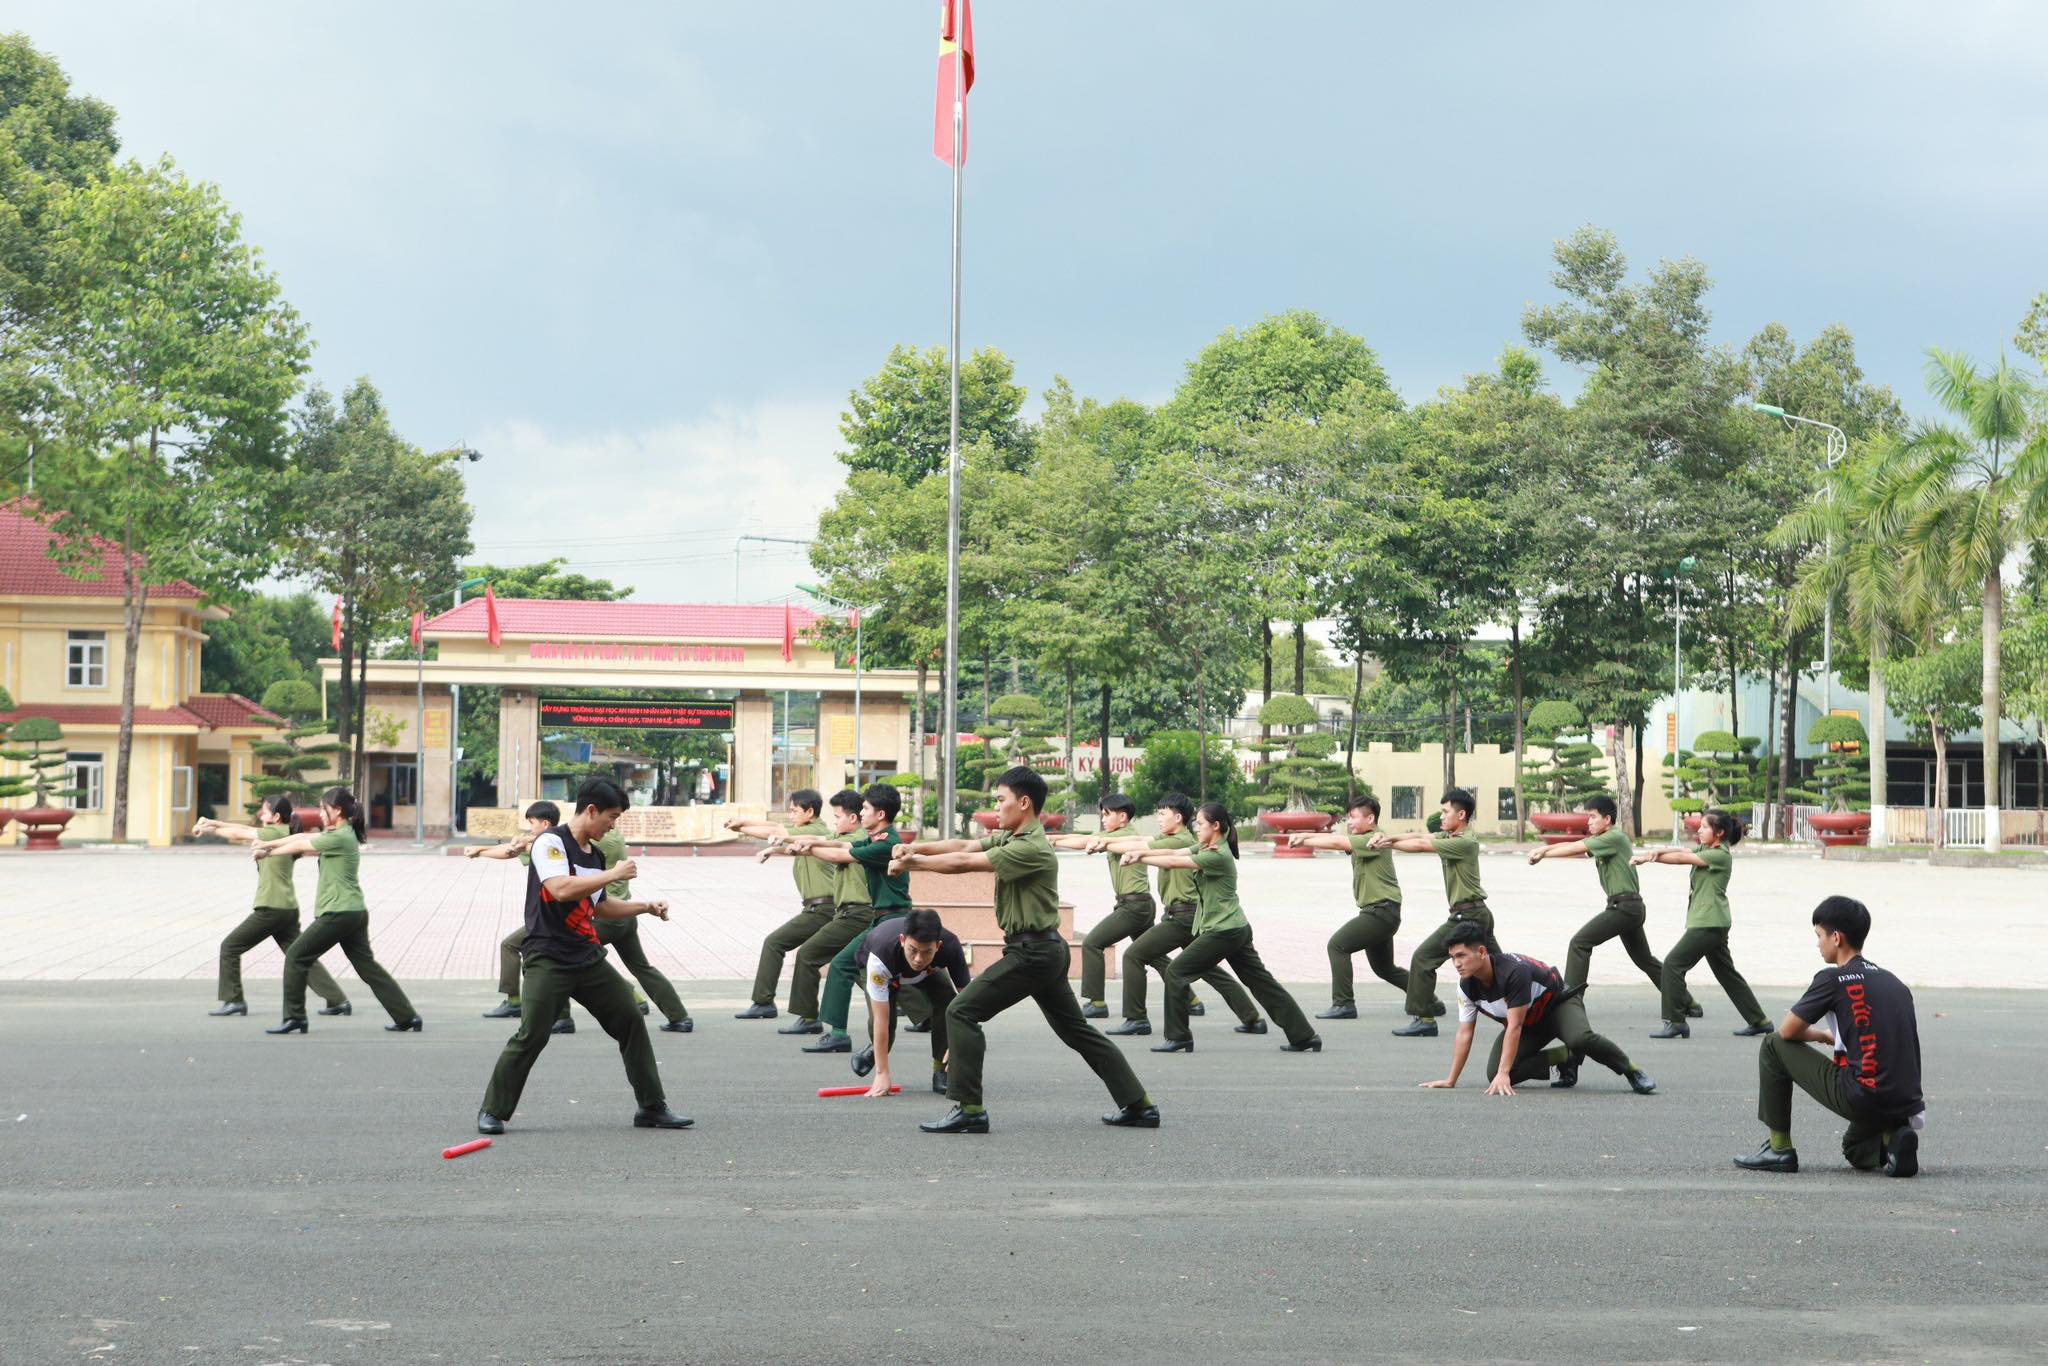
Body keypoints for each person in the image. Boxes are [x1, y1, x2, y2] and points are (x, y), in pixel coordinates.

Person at [890, 765, 1158, 1134]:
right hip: (1041, 950)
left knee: (961, 1011)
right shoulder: (1014, 838)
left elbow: (967, 863)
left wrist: (913, 863)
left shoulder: (1031, 847)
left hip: (1033, 954)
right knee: (1078, 1032)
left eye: (1001, 800)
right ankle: (1138, 1105)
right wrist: (915, 847)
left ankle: (969, 1108)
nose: (996, 808)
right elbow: (965, 846)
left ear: (1024, 802)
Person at [476, 778, 691, 1135]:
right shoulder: (550, 843)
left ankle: (652, 1107)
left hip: (587, 956)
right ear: (590, 810)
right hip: (547, 956)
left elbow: (601, 907)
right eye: (611, 816)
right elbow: (560, 889)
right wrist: (614, 873)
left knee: (630, 1021)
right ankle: (493, 1110)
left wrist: (645, 906)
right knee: (532, 1035)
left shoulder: (597, 855)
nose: (613, 824)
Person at [1735, 895, 1924, 1176]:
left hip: (1864, 1094)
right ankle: (1893, 1137)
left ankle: (1779, 1148)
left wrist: (1820, 1037)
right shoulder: (1894, 982)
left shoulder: (1832, 979)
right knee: (1855, 1151)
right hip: (1905, 1100)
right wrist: (1829, 1037)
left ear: (1836, 938)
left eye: (1819, 935)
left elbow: (1788, 1031)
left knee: (1773, 1044)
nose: (1818, 943)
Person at [1121, 800, 1320, 1055]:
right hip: (1235, 927)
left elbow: (1173, 863)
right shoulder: (1209, 845)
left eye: (1200, 823)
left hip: (1224, 931)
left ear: (1215, 826)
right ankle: (1303, 1036)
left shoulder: (1217, 855)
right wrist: (1141, 854)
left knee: (1176, 972)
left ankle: (1178, 1036)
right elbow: (1177, 854)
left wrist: (1142, 857)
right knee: (1262, 983)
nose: (1196, 826)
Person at [1419, 922, 1657, 1097]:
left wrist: (1506, 1072)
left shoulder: (1514, 972)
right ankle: (1566, 1057)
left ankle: (1631, 1070)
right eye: (1452, 958)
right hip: (1531, 1021)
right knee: (1495, 1074)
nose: (1456, 963)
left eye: (1461, 955)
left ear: (1481, 952)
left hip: (1558, 1005)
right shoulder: (1467, 987)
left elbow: (1515, 1026)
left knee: (1580, 1037)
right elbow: (1465, 1033)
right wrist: (1451, 1080)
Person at [255, 788, 422, 1035]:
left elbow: (300, 843)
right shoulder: (342, 834)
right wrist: (269, 848)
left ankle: (295, 1017)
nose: (321, 813)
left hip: (339, 913)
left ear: (338, 811)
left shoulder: (341, 837)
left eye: (324, 809)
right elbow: (296, 838)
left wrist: (267, 847)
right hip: (353, 911)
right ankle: (407, 1016)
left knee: (296, 956)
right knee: (368, 967)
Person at [1102, 792, 1263, 1038]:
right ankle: (1251, 1017)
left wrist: (1115, 847)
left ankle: (1136, 1018)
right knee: (1209, 969)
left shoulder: (1180, 841)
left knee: (1134, 956)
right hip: (1189, 915)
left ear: (1178, 818)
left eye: (1162, 814)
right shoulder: (1170, 838)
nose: (1158, 818)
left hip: (1183, 915)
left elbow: (1155, 853)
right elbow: (1141, 842)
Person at [1528, 795, 1701, 1019]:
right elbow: (1576, 846)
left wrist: (1543, 853)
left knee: (1579, 943)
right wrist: (1542, 851)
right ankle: (1688, 1002)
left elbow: (1577, 847)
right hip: (1629, 907)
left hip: (1624, 907)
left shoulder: (1614, 837)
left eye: (1592, 817)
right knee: (1645, 960)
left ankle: (1570, 1002)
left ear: (1607, 819)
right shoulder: (1603, 839)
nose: (1588, 822)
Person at [775, 784, 912, 1052]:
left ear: (881, 814)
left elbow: (840, 854)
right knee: (859, 969)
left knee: (849, 967)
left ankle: (843, 1035)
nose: (861, 813)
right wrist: (810, 844)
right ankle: (847, 1033)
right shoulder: (877, 839)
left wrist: (807, 847)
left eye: (866, 809)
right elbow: (839, 843)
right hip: (881, 918)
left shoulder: (887, 845)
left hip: (892, 919)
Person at [195, 798, 352, 1019]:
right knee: (301, 955)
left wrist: (210, 830)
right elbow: (243, 828)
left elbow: (239, 834)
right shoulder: (280, 831)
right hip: (286, 908)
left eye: (265, 811)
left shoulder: (276, 833)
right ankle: (338, 1000)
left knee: (229, 947)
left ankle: (234, 1000)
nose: (260, 814)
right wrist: (213, 823)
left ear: (276, 817)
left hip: (271, 908)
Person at [1283, 793, 1433, 1021]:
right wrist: (1306, 835)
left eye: (1353, 817)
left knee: (1337, 946)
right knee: (1384, 968)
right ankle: (1429, 1000)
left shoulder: (1373, 839)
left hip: (1380, 912)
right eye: (1348, 818)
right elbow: (1338, 842)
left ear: (1370, 819)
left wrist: (1304, 838)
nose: (1349, 822)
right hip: (1382, 912)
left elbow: (1337, 842)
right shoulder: (1366, 839)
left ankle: (1343, 1004)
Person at [1370, 787, 1499, 1038]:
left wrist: (1387, 843)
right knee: (1500, 969)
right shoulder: (1451, 836)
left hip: (1468, 916)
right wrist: (1387, 837)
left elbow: (1420, 844)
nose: (1441, 816)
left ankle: (1425, 1018)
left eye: (1445, 811)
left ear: (1461, 814)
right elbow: (1421, 834)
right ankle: (1535, 1002)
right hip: (1475, 913)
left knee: (1423, 958)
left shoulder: (1464, 842)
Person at [1633, 809, 1772, 1039]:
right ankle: (1759, 1020)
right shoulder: (1707, 849)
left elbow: (1681, 859)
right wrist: (1653, 854)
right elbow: (1680, 851)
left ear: (1719, 832)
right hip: (1713, 921)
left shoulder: (1720, 855)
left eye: (1704, 827)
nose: (1699, 830)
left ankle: (1675, 1021)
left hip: (1708, 923)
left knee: (1672, 965)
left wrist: (1651, 856)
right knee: (1727, 974)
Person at [725, 790, 836, 1020]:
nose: (791, 815)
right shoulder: (805, 834)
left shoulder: (816, 831)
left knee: (775, 943)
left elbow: (775, 830)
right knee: (852, 962)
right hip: (819, 908)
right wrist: (745, 825)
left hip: (824, 909)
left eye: (795, 811)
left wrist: (740, 828)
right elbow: (777, 831)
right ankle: (911, 1003)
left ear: (810, 812)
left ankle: (764, 1002)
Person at [469, 802, 578, 1034]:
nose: (529, 828)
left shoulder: (547, 845)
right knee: (560, 962)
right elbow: (512, 851)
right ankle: (556, 1014)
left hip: (549, 918)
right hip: (548, 917)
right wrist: (481, 851)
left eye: (532, 823)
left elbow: (510, 851)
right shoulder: (548, 842)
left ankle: (529, 1007)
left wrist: (479, 850)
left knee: (556, 963)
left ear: (545, 823)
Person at [849, 909, 968, 1098]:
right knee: (886, 1025)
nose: (918, 959)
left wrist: (960, 1043)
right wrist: (882, 1074)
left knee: (947, 997)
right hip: (886, 970)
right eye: (913, 950)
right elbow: (881, 1018)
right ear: (903, 940)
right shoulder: (881, 955)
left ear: (938, 946)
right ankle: (876, 1048)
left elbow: (968, 1004)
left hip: (925, 974)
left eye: (927, 951)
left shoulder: (951, 946)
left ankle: (941, 1070)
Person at [592, 823, 693, 1034]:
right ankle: (679, 1017)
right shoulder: (614, 834)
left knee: (564, 953)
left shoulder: (601, 839)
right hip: (625, 913)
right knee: (641, 967)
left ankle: (561, 1018)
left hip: (608, 915)